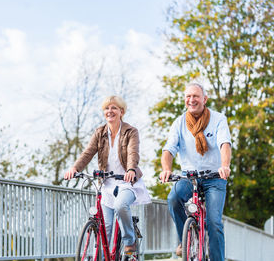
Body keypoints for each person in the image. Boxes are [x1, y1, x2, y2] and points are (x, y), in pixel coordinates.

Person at [64, 95, 151, 252]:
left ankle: (129, 240)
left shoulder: (131, 131)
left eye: (114, 108)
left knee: (120, 205)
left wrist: (131, 169)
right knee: (106, 228)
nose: (110, 111)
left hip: (127, 182)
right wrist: (75, 168)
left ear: (121, 112)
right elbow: (88, 153)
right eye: (107, 108)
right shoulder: (100, 133)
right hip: (107, 184)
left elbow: (133, 152)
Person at [159, 82, 232, 261]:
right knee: (173, 198)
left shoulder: (218, 119)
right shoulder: (179, 122)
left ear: (204, 99)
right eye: (188, 96)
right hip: (189, 177)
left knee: (213, 222)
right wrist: (166, 169)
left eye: (196, 96)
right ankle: (186, 241)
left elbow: (224, 143)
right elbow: (169, 149)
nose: (191, 100)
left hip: (214, 177)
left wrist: (225, 165)